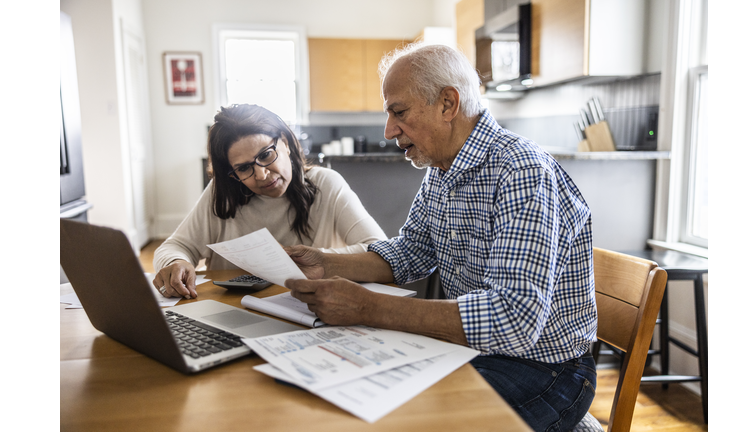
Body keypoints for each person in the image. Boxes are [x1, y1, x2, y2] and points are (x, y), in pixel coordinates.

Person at [284, 43, 597, 432]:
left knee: (402, 420)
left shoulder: (522, 172)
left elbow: (515, 320)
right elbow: (411, 252)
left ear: (448, 104)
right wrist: (325, 263)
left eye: (399, 112)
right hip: (473, 351)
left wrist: (369, 308)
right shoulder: (442, 169)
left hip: (548, 370)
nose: (388, 131)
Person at [152, 104, 386, 299]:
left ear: (285, 142)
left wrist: (319, 258)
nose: (262, 175)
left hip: (306, 308)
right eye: (244, 168)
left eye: (266, 155)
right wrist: (175, 262)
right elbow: (175, 247)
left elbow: (380, 251)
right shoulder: (222, 193)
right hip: (232, 312)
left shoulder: (326, 184)